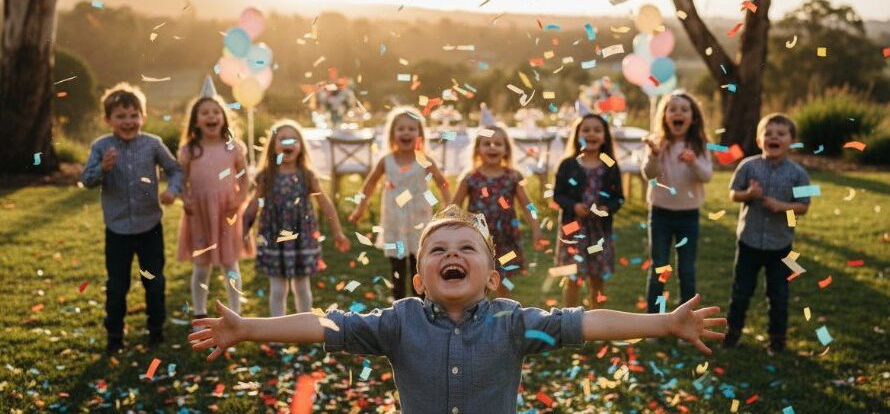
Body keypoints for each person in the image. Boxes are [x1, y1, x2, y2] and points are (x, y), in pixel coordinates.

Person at [189, 205, 726, 414]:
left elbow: (587, 322)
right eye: (438, 250)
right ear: (419, 276)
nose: (451, 254)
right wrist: (248, 327)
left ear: (491, 277)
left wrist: (664, 322)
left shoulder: (513, 321)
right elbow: (324, 324)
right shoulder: (397, 321)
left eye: (466, 248)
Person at [80, 83, 183, 353]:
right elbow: (86, 180)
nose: (128, 122)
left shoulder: (152, 144)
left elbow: (175, 170)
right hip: (117, 231)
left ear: (143, 117)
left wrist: (172, 191)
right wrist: (103, 169)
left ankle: (156, 330)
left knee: (154, 281)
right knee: (117, 285)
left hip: (150, 227)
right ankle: (114, 334)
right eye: (121, 116)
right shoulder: (101, 147)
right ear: (108, 120)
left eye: (134, 115)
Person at [243, 120, 351, 316]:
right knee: (277, 289)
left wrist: (338, 232)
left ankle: (304, 328)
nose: (288, 143)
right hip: (275, 239)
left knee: (302, 288)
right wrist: (243, 231)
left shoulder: (307, 175)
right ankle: (278, 332)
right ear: (273, 146)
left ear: (301, 146)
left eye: (293, 139)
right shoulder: (266, 176)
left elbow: (325, 204)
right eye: (282, 139)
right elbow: (252, 206)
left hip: (302, 239)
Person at [724, 113, 811, 353]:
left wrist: (782, 207)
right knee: (741, 292)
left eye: (781, 134)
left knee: (779, 295)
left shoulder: (799, 174)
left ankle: (777, 339)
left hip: (781, 246)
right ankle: (732, 334)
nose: (774, 137)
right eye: (768, 133)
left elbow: (804, 206)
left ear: (791, 141)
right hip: (749, 242)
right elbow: (733, 193)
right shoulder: (748, 166)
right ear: (759, 140)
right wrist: (747, 195)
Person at [348, 106, 451, 300]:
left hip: (418, 222)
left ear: (420, 134)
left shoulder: (424, 160)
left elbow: (442, 183)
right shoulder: (386, 160)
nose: (406, 132)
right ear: (392, 133)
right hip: (395, 222)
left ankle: (420, 306)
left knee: (418, 265)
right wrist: (359, 208)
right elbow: (369, 184)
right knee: (397, 266)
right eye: (401, 128)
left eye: (411, 129)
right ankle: (399, 305)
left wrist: (449, 206)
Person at [177, 83, 249, 323]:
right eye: (205, 113)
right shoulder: (190, 150)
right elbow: (182, 180)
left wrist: (239, 199)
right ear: (196, 120)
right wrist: (185, 199)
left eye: (216, 112)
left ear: (224, 118)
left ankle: (235, 313)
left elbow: (245, 177)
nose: (211, 116)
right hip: (199, 214)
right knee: (201, 266)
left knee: (230, 263)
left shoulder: (233, 148)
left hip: (227, 213)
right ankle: (200, 314)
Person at [451, 124, 545, 297]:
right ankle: (477, 316)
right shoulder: (470, 177)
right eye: (487, 143)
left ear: (506, 149)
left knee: (503, 279)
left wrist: (536, 229)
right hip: (478, 239)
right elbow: (454, 207)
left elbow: (527, 205)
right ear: (478, 149)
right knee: (477, 279)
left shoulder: (513, 176)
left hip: (506, 239)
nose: (492, 147)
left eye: (498, 143)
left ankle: (504, 315)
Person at [641, 90, 713, 314]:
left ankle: (685, 320)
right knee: (659, 268)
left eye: (684, 109)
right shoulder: (657, 143)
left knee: (687, 270)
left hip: (688, 216)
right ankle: (654, 320)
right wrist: (653, 155)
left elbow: (707, 176)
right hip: (660, 214)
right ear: (664, 116)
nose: (678, 113)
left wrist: (694, 163)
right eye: (672, 109)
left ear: (693, 118)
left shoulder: (699, 145)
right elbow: (648, 174)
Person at [553, 113, 624, 309]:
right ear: (577, 135)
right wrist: (574, 206)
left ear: (604, 136)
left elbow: (619, 197)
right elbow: (558, 195)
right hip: (573, 230)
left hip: (599, 232)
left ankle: (597, 321)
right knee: (573, 278)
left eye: (597, 130)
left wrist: (605, 208)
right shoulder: (568, 164)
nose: (591, 134)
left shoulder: (610, 165)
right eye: (586, 130)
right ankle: (569, 321)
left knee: (597, 279)